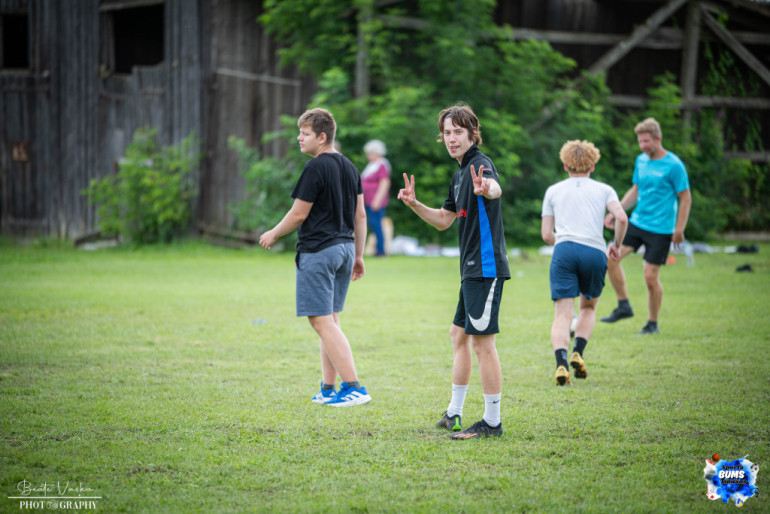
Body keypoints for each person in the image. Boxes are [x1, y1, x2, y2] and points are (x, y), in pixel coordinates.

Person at [397, 103, 510, 439]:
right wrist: (415, 205)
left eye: (458, 132)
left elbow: (494, 188)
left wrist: (486, 189)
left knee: (482, 344)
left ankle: (492, 422)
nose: (451, 138)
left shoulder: (480, 165)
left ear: (472, 133)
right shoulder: (460, 173)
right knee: (458, 336)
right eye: (447, 133)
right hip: (470, 269)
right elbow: (444, 221)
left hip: (485, 268)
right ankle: (454, 413)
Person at [259, 108, 371, 407]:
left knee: (321, 321)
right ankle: (328, 388)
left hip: (320, 252)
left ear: (322, 137)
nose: (299, 138)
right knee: (330, 320)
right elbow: (360, 214)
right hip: (345, 250)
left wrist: (273, 233)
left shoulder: (315, 167)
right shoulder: (350, 167)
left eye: (304, 133)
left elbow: (298, 214)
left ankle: (354, 387)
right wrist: (358, 254)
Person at [541, 140, 628, 385]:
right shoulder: (604, 189)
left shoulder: (554, 190)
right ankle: (578, 352)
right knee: (588, 308)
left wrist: (565, 246)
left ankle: (561, 365)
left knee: (562, 314)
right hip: (594, 251)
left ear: (566, 165)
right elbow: (621, 217)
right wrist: (616, 245)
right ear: (592, 165)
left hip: (564, 249)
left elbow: (547, 235)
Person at [600, 118, 692, 335]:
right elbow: (636, 190)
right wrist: (618, 210)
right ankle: (624, 305)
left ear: (658, 139)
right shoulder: (641, 161)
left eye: (647, 141)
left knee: (650, 276)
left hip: (662, 229)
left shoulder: (674, 165)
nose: (643, 146)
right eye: (640, 141)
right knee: (610, 258)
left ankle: (652, 323)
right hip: (638, 223)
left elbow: (685, 198)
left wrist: (679, 229)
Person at [361, 140, 391, 257]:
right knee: (373, 224)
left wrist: (377, 200)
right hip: (367, 200)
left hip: (375, 201)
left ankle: (380, 251)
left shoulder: (382, 164)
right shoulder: (372, 165)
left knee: (376, 224)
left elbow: (385, 183)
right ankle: (377, 250)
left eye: (370, 153)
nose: (368, 156)